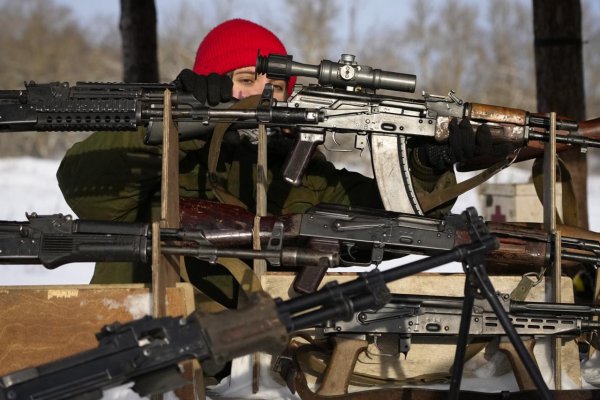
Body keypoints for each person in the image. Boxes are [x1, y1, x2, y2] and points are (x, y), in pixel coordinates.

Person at [56, 18, 490, 306]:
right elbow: (84, 184)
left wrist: (430, 162)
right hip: (151, 357)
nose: (264, 94)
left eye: (277, 85)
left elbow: (392, 225)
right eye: (246, 80)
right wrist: (177, 118)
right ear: (215, 86)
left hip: (260, 365)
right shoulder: (170, 159)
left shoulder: (305, 175)